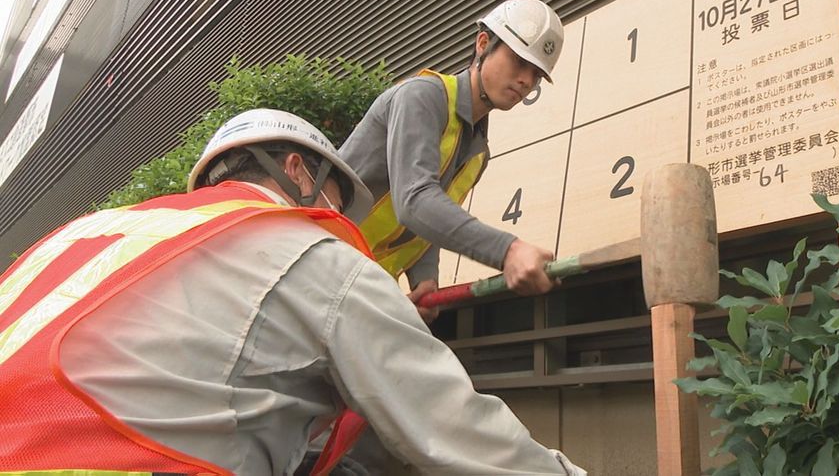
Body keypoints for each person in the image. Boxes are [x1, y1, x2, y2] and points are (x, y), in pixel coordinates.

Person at [0, 108, 585, 476]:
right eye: (333, 195)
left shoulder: (94, 235)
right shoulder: (309, 255)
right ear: (297, 172)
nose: (332, 213)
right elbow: (454, 430)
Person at [340, 0, 565, 321]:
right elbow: (415, 201)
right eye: (518, 61)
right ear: (483, 43)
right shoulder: (422, 96)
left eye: (536, 74)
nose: (526, 81)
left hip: (360, 289)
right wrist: (509, 250)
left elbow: (431, 219)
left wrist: (425, 278)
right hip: (317, 261)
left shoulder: (478, 152)